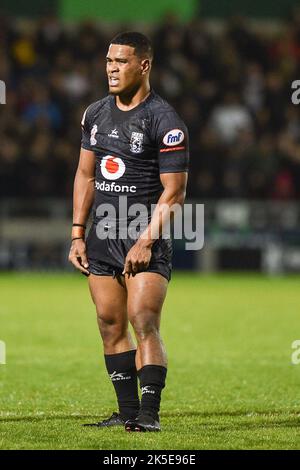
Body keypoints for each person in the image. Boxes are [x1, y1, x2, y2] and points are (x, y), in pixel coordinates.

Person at [69, 31, 189, 432]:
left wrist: (146, 240)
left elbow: (174, 193)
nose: (112, 69)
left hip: (144, 235)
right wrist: (76, 233)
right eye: (108, 61)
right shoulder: (95, 113)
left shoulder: (165, 120)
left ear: (144, 65)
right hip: (102, 236)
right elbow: (85, 175)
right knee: (109, 323)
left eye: (121, 61)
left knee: (143, 320)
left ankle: (149, 415)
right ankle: (125, 411)